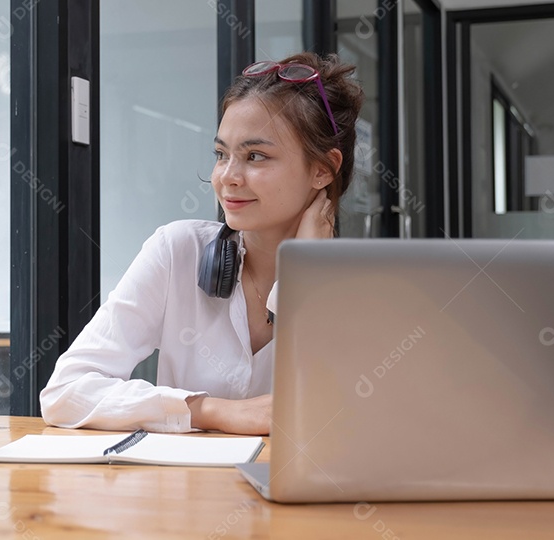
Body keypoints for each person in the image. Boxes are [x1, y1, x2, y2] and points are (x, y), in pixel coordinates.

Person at [40, 52, 365, 435]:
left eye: (255, 156)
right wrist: (209, 411)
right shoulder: (178, 251)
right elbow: (65, 392)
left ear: (322, 170)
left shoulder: (361, 289)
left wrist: (305, 275)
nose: (227, 177)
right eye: (221, 154)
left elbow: (338, 421)